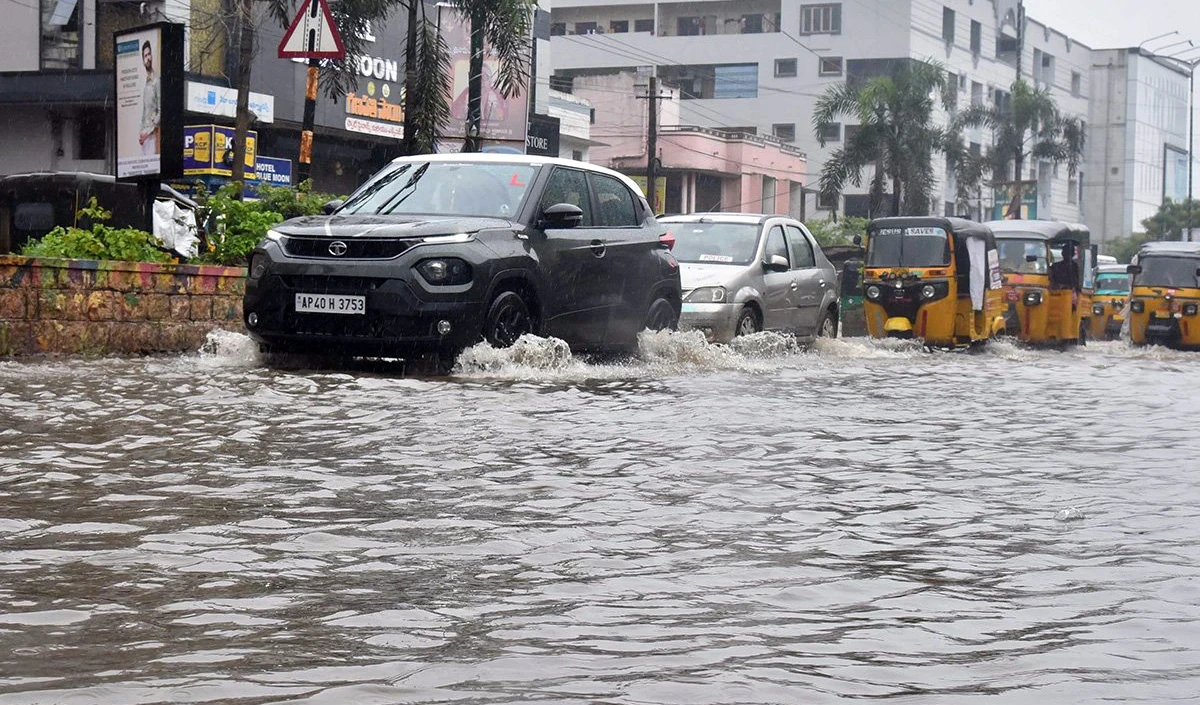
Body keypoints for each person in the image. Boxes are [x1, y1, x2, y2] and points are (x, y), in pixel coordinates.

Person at [138, 40, 160, 156]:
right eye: (145, 55)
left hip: (153, 136)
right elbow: (145, 111)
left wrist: (149, 131)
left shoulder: (157, 81)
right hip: (145, 137)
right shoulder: (146, 83)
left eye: (149, 54)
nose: (148, 58)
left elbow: (161, 111)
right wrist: (141, 132)